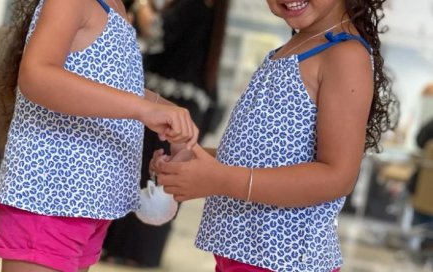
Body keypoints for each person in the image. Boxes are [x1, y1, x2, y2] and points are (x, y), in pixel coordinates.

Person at [151, 0, 399, 271]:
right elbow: (267, 157)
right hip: (242, 253)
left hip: (284, 261)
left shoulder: (345, 55)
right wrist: (199, 163)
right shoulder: (294, 48)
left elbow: (338, 176)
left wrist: (219, 178)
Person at [0, 0, 199, 271]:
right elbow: (36, 74)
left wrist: (165, 110)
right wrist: (143, 109)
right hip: (52, 196)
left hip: (89, 202)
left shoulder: (117, 8)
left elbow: (110, 83)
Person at [102, 0, 229, 267]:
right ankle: (134, 252)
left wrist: (141, 4)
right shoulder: (209, 8)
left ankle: (129, 252)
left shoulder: (192, 6)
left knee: (151, 177)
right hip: (186, 105)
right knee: (159, 178)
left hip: (169, 106)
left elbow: (157, 33)